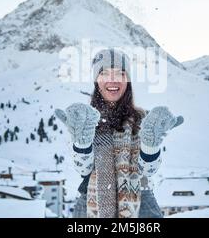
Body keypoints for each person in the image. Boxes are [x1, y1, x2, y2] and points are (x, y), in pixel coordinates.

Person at [56, 48, 184, 218]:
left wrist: (150, 145)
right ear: (96, 80)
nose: (112, 80)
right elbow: (84, 169)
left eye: (120, 73)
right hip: (91, 204)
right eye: (104, 73)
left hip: (141, 205)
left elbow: (147, 171)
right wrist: (82, 143)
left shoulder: (144, 119)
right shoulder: (84, 119)